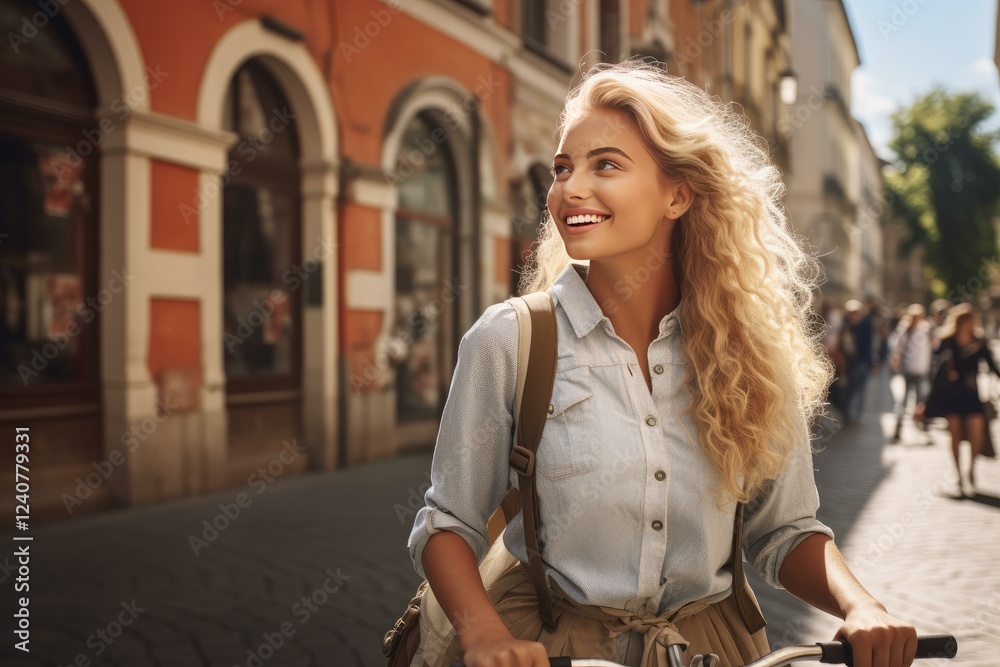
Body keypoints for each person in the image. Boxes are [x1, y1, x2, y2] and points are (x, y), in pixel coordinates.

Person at [407, 59, 917, 667]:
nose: (569, 189)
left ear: (677, 194)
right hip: (551, 647)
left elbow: (785, 532)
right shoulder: (509, 339)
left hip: (714, 649)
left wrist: (861, 605)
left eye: (606, 165)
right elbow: (447, 522)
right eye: (563, 168)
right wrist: (483, 633)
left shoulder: (751, 358)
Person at [920, 302, 1000, 497]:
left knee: (976, 436)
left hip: (972, 395)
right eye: (968, 321)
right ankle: (958, 475)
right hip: (951, 395)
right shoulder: (947, 341)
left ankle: (970, 467)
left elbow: (993, 367)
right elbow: (936, 371)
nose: (971, 324)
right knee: (955, 437)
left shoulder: (979, 343)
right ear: (960, 322)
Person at [887, 304, 933, 444]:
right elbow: (896, 347)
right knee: (904, 401)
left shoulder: (926, 330)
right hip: (908, 370)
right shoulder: (904, 330)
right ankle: (899, 428)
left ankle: (922, 427)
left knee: (922, 401)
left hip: (922, 370)